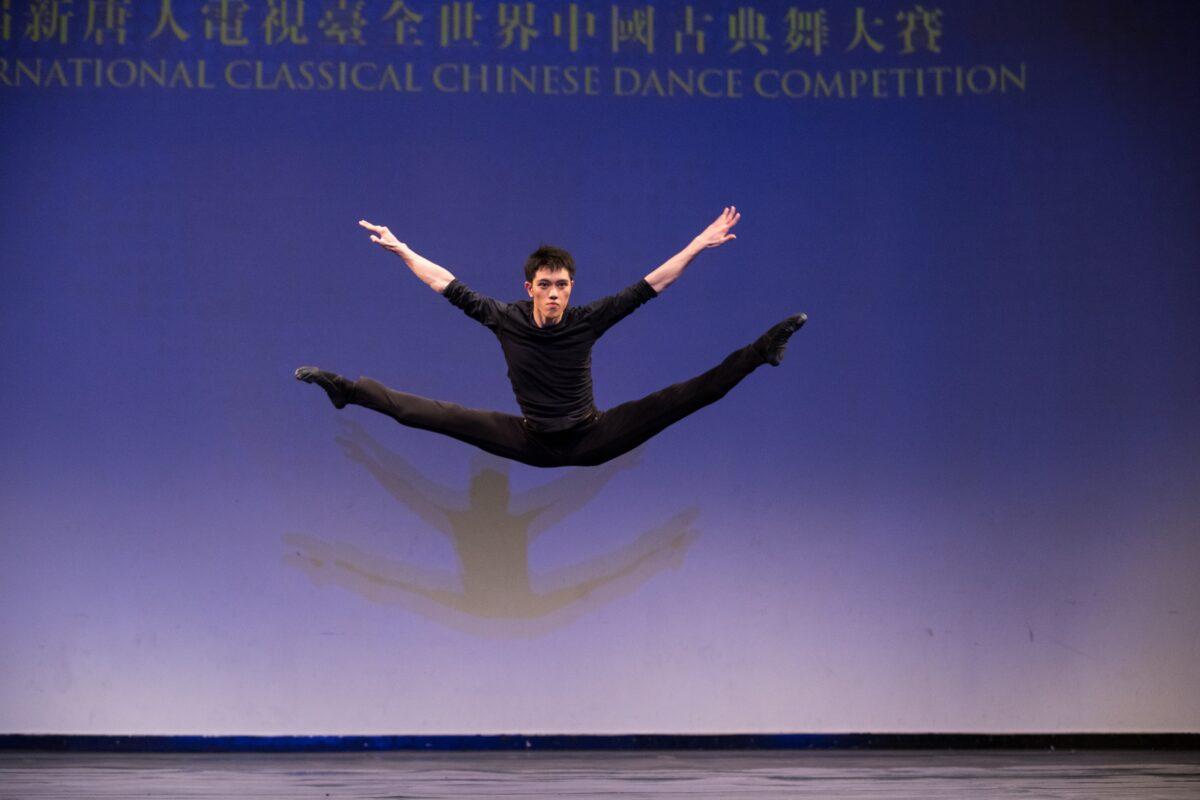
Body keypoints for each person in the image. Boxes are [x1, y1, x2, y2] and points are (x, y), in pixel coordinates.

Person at [296, 207, 806, 468]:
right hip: (531, 439)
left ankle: (763, 349)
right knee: (427, 414)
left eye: (562, 285)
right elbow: (444, 282)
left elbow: (654, 284)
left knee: (686, 396)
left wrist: (697, 243)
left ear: (571, 288)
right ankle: (347, 390)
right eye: (546, 285)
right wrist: (404, 249)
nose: (555, 293)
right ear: (530, 288)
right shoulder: (504, 317)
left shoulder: (587, 319)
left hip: (592, 436)